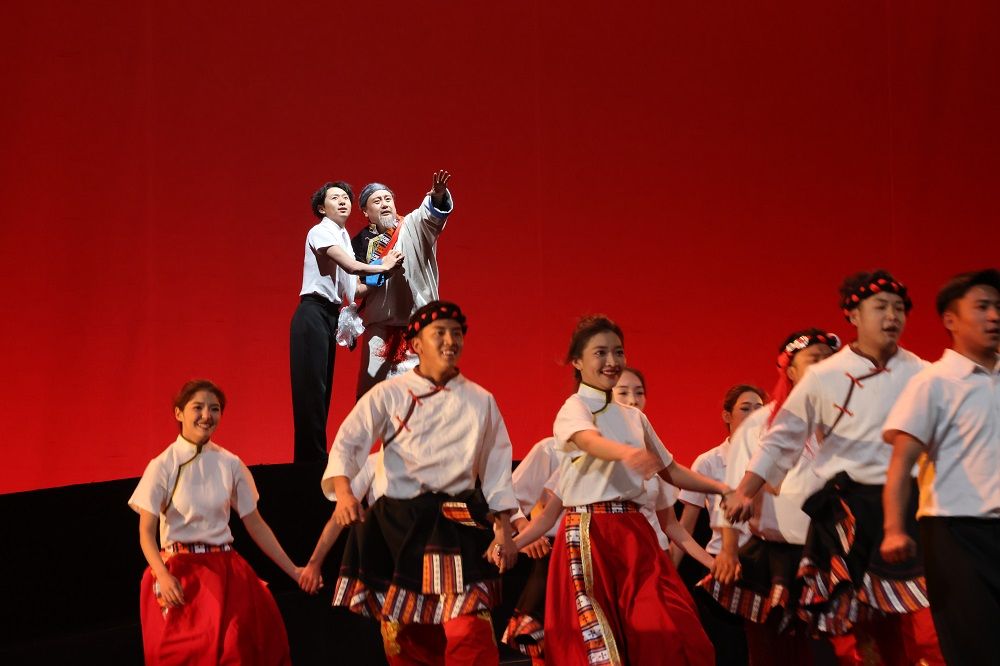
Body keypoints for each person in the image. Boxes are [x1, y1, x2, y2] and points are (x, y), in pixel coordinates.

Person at [726, 270, 943, 665]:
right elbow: (781, 439)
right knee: (853, 628)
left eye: (899, 309)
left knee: (921, 624)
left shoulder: (923, 373)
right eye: (880, 307)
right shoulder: (824, 376)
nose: (892, 316)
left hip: (909, 505)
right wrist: (746, 490)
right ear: (853, 315)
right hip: (848, 511)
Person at [323, 301, 518, 665]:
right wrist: (346, 494)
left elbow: (496, 469)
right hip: (398, 524)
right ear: (416, 344)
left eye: (456, 333)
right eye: (439, 333)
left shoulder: (481, 400)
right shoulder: (389, 394)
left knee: (469, 631)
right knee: (406, 636)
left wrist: (503, 530)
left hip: (456, 522)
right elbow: (349, 442)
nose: (450, 341)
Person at [534, 314, 727, 665]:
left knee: (672, 629)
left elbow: (671, 470)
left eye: (618, 352)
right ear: (577, 361)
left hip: (636, 535)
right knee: (599, 645)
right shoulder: (574, 408)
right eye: (600, 353)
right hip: (590, 533)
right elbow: (588, 440)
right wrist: (626, 453)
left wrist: (722, 488)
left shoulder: (635, 417)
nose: (612, 361)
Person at [129, 380, 302, 665]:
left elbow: (256, 524)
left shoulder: (230, 463)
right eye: (197, 407)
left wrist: (294, 571)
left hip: (227, 573)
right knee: (185, 655)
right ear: (178, 413)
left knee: (240, 650)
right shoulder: (162, 465)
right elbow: (145, 533)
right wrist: (162, 574)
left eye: (214, 409)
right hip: (181, 574)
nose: (206, 415)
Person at [880, 268, 1000, 666]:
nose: (994, 316)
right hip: (956, 532)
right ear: (951, 320)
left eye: (998, 307)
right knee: (975, 643)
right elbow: (901, 464)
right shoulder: (933, 382)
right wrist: (894, 530)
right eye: (982, 307)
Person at [707, 330, 846, 665]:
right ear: (791, 371)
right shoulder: (759, 425)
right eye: (815, 360)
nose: (824, 368)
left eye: (830, 361)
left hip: (834, 552)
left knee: (836, 651)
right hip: (777, 556)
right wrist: (729, 551)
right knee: (773, 652)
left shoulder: (848, 422)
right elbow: (735, 489)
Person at [291, 181, 403, 462]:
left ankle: (316, 461)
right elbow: (351, 267)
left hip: (329, 315)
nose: (343, 201)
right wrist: (383, 265)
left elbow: (355, 290)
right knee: (311, 394)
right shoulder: (320, 231)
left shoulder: (342, 237)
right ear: (322, 208)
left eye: (346, 198)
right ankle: (309, 464)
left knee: (322, 392)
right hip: (312, 313)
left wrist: (387, 274)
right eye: (335, 198)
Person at [674, 383, 764, 666]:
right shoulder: (709, 462)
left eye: (759, 409)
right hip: (721, 563)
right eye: (745, 409)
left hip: (763, 561)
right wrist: (670, 572)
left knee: (764, 647)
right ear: (727, 415)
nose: (753, 415)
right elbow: (685, 525)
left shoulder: (772, 458)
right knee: (727, 647)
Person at [352, 171, 454, 400]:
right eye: (377, 201)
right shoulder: (358, 244)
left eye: (388, 199)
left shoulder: (413, 225)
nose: (384, 204)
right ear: (366, 212)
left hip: (417, 328)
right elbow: (354, 286)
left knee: (421, 397)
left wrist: (437, 198)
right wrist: (382, 269)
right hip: (379, 329)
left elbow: (431, 217)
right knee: (371, 398)